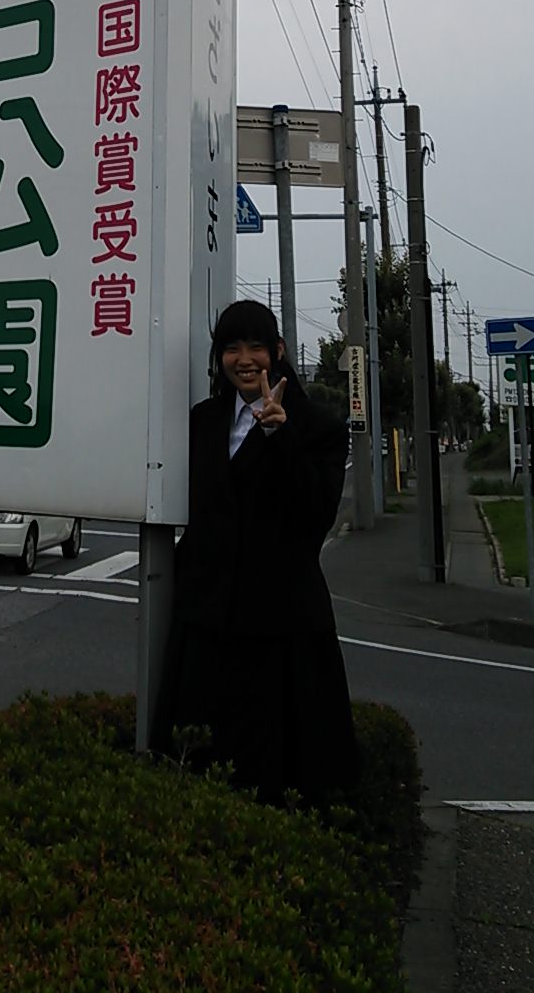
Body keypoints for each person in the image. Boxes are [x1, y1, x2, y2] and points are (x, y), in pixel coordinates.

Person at [153, 298, 358, 806]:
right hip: (206, 620)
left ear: (278, 352)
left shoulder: (319, 428)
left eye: (256, 347)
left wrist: (278, 436)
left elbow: (315, 516)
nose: (244, 360)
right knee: (195, 768)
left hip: (280, 627)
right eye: (231, 348)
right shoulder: (202, 421)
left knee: (277, 775)